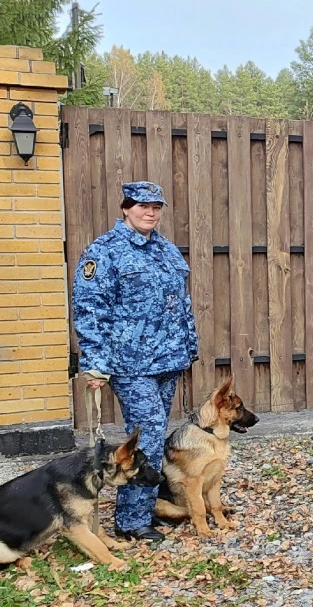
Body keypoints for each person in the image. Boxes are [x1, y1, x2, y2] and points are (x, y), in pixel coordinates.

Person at [72, 181, 198, 542]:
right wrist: (94, 361)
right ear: (126, 208)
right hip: (129, 363)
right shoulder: (105, 251)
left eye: (156, 206)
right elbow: (89, 309)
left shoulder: (166, 250)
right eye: (142, 206)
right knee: (150, 431)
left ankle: (149, 506)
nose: (151, 212)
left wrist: (189, 344)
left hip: (167, 358)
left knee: (153, 435)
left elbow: (181, 304)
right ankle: (130, 521)